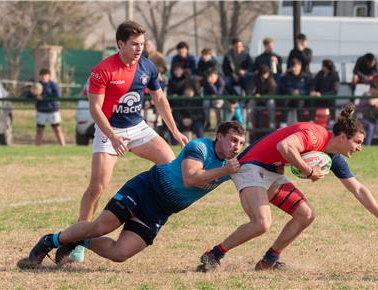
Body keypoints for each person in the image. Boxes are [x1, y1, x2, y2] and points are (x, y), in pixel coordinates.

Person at [197, 103, 378, 272]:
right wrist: (308, 171)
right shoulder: (315, 134)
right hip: (250, 167)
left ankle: (269, 260)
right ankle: (214, 254)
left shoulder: (333, 156)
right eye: (357, 142)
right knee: (262, 224)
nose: (359, 148)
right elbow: (285, 146)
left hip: (272, 172)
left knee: (306, 214)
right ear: (342, 136)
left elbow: (358, 189)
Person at [17, 121, 246, 269]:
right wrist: (226, 170)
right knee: (100, 227)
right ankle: (50, 241)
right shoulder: (200, 147)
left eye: (241, 143)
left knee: (120, 253)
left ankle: (79, 239)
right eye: (233, 140)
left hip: (160, 210)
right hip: (145, 188)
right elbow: (191, 178)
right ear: (219, 136)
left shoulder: (232, 165)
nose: (237, 146)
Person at [69, 20, 189, 263]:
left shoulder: (148, 67)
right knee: (97, 187)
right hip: (109, 129)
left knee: (172, 168)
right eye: (134, 44)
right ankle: (78, 237)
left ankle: (143, 214)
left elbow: (160, 99)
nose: (139, 49)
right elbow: (95, 109)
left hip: (137, 127)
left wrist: (174, 131)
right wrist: (112, 137)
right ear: (120, 43)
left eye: (142, 44)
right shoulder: (103, 70)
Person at [29, 68, 66, 146]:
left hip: (53, 111)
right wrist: (33, 94)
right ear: (39, 76)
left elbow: (57, 95)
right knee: (40, 130)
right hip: (41, 111)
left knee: (57, 129)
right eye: (42, 75)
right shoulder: (37, 85)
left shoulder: (53, 85)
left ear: (49, 76)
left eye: (45, 75)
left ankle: (63, 146)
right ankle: (37, 147)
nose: (43, 77)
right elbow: (28, 95)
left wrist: (44, 96)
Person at [279, 59, 314, 124]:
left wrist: (300, 92)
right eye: (292, 66)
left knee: (300, 102)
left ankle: (300, 124)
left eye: (295, 66)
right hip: (289, 98)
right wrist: (291, 91)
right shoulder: (286, 77)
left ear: (300, 66)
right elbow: (282, 88)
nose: (293, 68)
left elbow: (309, 90)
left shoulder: (306, 77)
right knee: (285, 101)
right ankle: (283, 124)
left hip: (302, 99)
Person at [357, 81, 378, 145]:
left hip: (369, 118)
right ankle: (367, 145)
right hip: (361, 118)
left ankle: (368, 143)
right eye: (377, 90)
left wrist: (377, 101)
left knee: (377, 125)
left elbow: (377, 105)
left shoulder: (374, 96)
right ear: (372, 88)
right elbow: (371, 102)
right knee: (370, 126)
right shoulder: (366, 94)